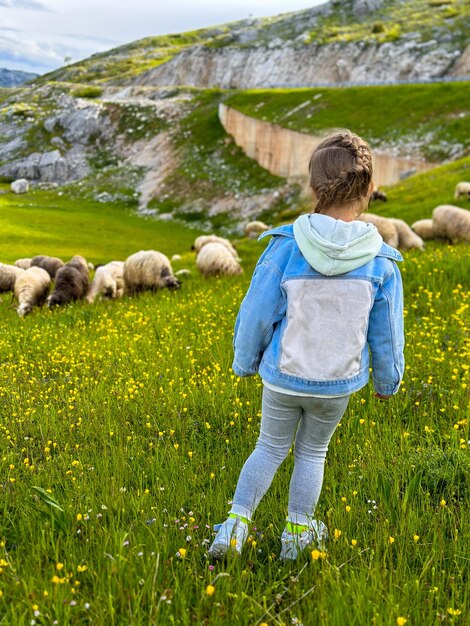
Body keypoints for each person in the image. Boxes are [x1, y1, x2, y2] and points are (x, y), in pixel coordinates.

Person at [208, 129, 405, 560]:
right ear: (370, 190)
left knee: (269, 447)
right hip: (336, 383)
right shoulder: (381, 260)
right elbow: (387, 333)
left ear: (313, 187)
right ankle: (296, 537)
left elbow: (257, 312)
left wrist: (245, 361)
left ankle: (235, 527)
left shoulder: (285, 246)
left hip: (283, 374)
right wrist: (388, 381)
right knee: (312, 453)